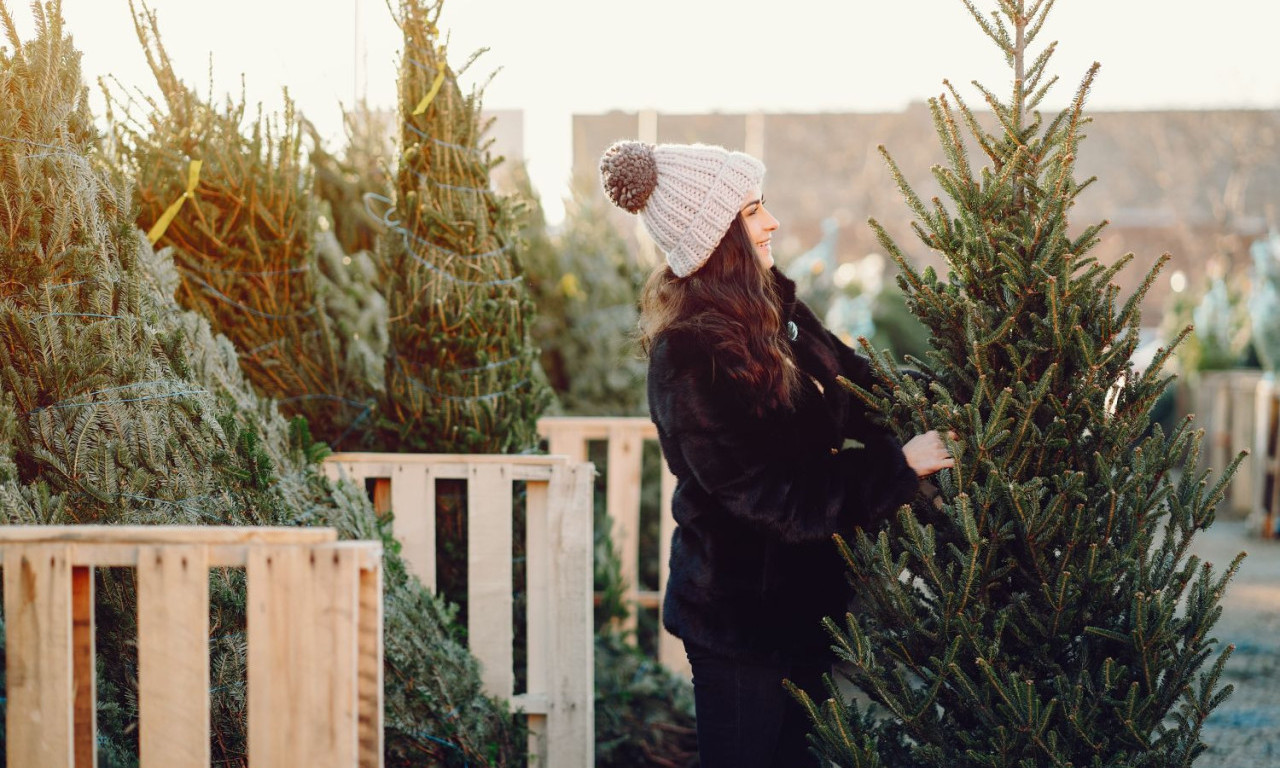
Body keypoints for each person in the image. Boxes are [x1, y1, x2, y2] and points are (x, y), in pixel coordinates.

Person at [599, 140, 954, 768]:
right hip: (741, 626)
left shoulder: (780, 315)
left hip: (808, 612)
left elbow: (859, 385)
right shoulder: (688, 359)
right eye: (754, 210)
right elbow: (773, 494)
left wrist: (953, 401)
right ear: (717, 235)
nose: (773, 222)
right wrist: (896, 468)